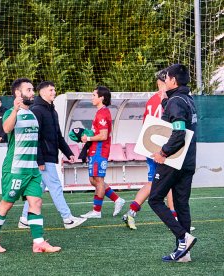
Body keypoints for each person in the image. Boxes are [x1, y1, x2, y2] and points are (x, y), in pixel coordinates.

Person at [0, 78, 61, 253]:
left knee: (36, 201)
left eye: (32, 89)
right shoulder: (12, 113)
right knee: (7, 204)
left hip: (32, 169)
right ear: (18, 93)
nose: (32, 92)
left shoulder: (33, 114)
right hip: (15, 169)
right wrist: (15, 109)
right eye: (28, 90)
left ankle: (39, 242)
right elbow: (6, 129)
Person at [18, 81, 86, 229]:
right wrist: (40, 160)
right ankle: (67, 218)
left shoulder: (52, 111)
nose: (54, 92)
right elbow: (34, 137)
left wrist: (68, 153)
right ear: (42, 93)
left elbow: (58, 136)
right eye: (51, 90)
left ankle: (24, 219)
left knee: (37, 189)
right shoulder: (37, 110)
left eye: (54, 90)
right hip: (43, 158)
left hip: (48, 157)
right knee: (55, 186)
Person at [148, 64, 197, 262]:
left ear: (173, 81)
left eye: (166, 78)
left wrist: (163, 152)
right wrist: (163, 103)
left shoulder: (175, 101)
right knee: (181, 204)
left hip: (173, 161)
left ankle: (183, 237)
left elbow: (178, 133)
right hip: (188, 161)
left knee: (154, 199)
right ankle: (184, 253)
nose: (164, 81)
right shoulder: (188, 99)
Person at [122, 70, 176, 230]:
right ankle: (176, 218)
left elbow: (146, 125)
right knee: (171, 182)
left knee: (153, 182)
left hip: (150, 147)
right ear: (164, 81)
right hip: (163, 148)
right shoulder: (168, 99)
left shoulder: (150, 101)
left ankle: (131, 212)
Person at [80, 86, 125, 219]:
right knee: (93, 179)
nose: (91, 97)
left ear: (101, 98)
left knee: (98, 180)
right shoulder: (100, 112)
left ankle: (97, 211)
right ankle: (117, 199)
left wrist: (87, 138)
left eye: (94, 95)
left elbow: (104, 135)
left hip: (100, 151)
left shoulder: (103, 113)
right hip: (95, 150)